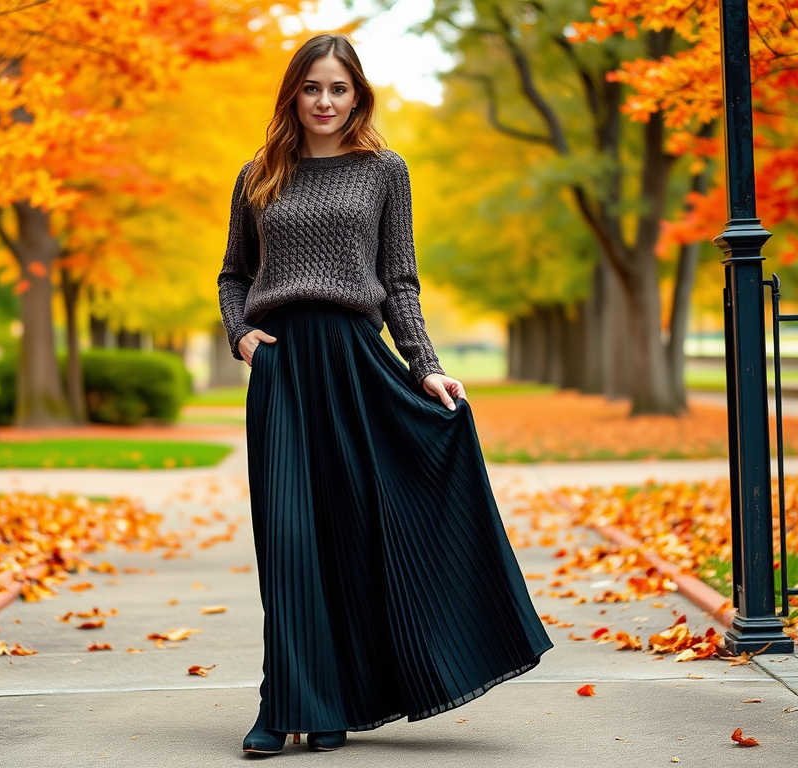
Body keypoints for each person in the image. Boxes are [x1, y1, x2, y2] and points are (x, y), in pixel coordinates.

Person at [217, 33, 553, 757]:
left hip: (354, 359)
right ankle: (285, 706)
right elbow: (233, 274)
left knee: (349, 532)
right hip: (282, 368)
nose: (326, 102)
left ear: (357, 95)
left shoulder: (384, 171)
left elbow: (399, 279)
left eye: (339, 89)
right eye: (312, 88)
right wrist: (240, 336)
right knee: (288, 539)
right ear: (293, 95)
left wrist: (425, 364)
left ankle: (333, 704)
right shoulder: (259, 174)